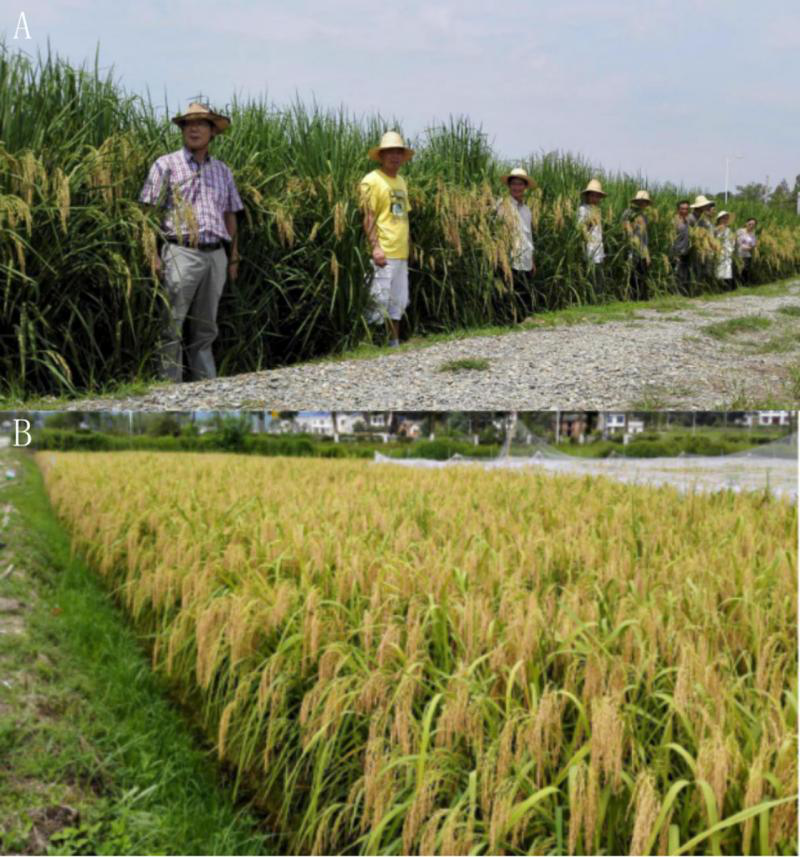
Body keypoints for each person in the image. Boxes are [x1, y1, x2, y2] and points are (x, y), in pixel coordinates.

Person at [139, 102, 244, 382]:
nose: (193, 129)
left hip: (216, 255)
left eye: (200, 124)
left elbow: (230, 214)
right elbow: (148, 213)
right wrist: (153, 254)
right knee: (171, 324)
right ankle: (169, 387)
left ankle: (205, 386)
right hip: (180, 252)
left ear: (212, 132)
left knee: (206, 328)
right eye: (188, 124)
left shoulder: (222, 171)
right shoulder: (166, 165)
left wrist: (233, 256)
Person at [360, 131, 414, 347]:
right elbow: (369, 216)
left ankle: (393, 343)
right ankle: (371, 344)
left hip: (401, 253)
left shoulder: (401, 181)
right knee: (377, 300)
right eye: (390, 152)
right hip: (383, 252)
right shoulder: (371, 180)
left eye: (398, 152)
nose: (395, 156)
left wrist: (409, 246)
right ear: (381, 156)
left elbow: (404, 216)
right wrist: (376, 247)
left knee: (398, 302)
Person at [497, 167, 536, 319]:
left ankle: (523, 319)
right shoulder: (503, 205)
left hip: (525, 257)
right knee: (509, 291)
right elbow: (498, 232)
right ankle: (508, 319)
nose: (516, 187)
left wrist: (532, 260)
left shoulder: (527, 210)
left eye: (520, 184)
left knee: (523, 292)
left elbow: (529, 236)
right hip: (510, 257)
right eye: (513, 183)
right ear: (509, 186)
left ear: (525, 187)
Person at [577, 178, 607, 297]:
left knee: (599, 278)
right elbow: (581, 229)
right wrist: (590, 221)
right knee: (591, 278)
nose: (595, 198)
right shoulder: (583, 209)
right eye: (593, 195)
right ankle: (591, 299)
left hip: (599, 249)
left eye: (597, 196)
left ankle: (599, 299)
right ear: (588, 196)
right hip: (589, 250)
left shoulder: (598, 210)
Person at [621, 190, 652, 300]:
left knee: (642, 273)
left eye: (645, 202)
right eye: (641, 201)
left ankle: (641, 297)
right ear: (637, 201)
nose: (643, 203)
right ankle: (631, 297)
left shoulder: (644, 216)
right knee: (632, 274)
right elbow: (625, 229)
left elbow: (645, 236)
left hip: (642, 249)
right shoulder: (628, 213)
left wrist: (647, 254)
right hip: (631, 249)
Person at [688, 194, 717, 285]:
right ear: (700, 207)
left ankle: (699, 286)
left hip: (701, 248)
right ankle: (692, 287)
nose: (707, 207)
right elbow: (688, 233)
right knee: (693, 268)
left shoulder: (702, 220)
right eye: (705, 205)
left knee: (700, 268)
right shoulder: (690, 218)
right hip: (691, 247)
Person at [671, 199, 691, 291]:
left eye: (687, 209)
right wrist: (674, 254)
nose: (685, 211)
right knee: (676, 273)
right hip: (677, 252)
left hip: (685, 251)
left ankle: (682, 291)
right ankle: (674, 291)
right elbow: (671, 239)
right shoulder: (674, 221)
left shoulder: (687, 221)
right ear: (678, 209)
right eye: (682, 209)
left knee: (683, 274)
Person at [714, 211, 735, 290]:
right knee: (718, 269)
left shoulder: (729, 230)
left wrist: (731, 249)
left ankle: (726, 286)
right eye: (723, 218)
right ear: (719, 219)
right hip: (718, 251)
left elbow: (732, 241)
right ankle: (718, 286)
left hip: (727, 252)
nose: (725, 220)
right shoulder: (716, 229)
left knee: (727, 269)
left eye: (726, 218)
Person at [736, 217, 757, 284]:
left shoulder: (753, 234)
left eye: (753, 225)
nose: (751, 226)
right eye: (750, 224)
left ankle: (744, 283)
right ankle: (738, 283)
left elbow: (753, 244)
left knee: (746, 269)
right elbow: (736, 241)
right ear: (746, 223)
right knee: (739, 268)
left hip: (747, 254)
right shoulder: (740, 231)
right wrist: (742, 246)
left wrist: (749, 247)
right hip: (738, 253)